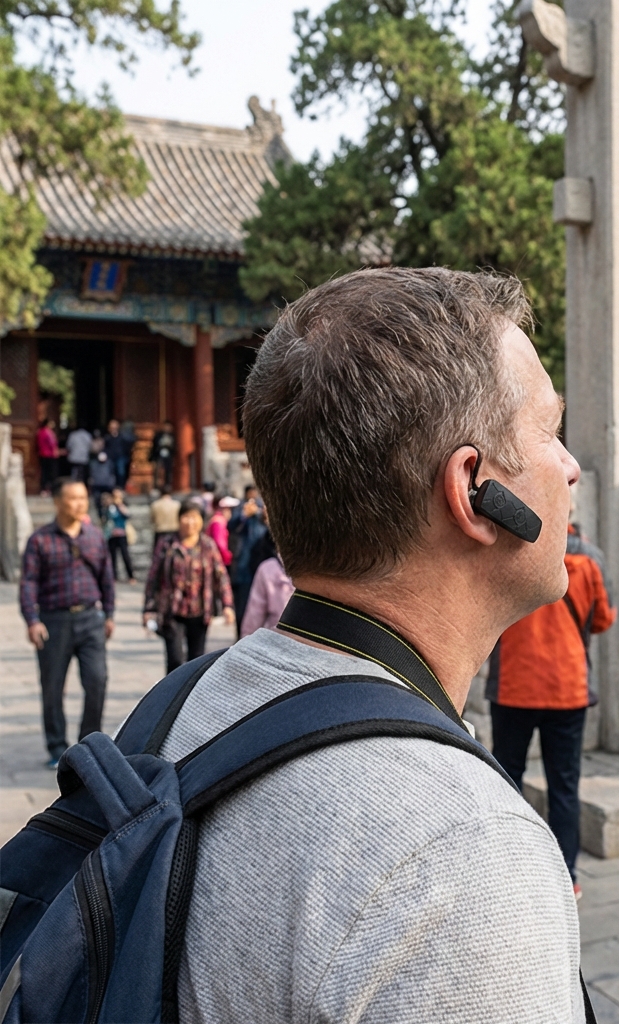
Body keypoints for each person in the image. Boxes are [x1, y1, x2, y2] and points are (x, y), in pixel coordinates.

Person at [151, 268, 589, 1022]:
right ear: (476, 490)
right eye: (550, 429)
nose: (571, 464)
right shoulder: (463, 851)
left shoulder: (182, 702)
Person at [487, 521, 616, 900]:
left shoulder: (503, 547)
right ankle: (567, 875)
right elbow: (603, 619)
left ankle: (511, 867)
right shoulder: (589, 557)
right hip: (567, 686)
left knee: (508, 779)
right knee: (564, 785)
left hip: (515, 684)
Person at [18, 477, 115, 767]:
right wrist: (32, 620)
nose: (80, 503)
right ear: (58, 501)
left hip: (90, 618)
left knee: (97, 680)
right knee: (52, 687)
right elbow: (28, 583)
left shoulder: (95, 536)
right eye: (73, 498)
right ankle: (56, 747)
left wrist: (109, 614)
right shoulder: (40, 540)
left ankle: (88, 745)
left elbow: (106, 579)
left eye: (83, 498)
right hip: (53, 621)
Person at [144, 500, 234, 672]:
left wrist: (227, 605)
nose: (190, 522)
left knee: (197, 662)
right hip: (173, 611)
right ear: (179, 519)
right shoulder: (167, 544)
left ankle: (191, 698)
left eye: (195, 518)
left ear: (201, 521)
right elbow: (154, 576)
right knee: (175, 659)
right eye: (186, 517)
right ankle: (171, 697)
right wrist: (148, 608)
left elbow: (221, 576)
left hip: (200, 611)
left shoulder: (208, 545)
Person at [227, 485, 268, 632]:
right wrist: (244, 514)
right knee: (242, 607)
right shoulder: (240, 509)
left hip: (262, 563)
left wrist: (260, 514)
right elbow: (231, 525)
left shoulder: (263, 508)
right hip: (244, 566)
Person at [238, 536, 293, 636]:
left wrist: (246, 642)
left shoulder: (267, 568)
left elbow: (254, 616)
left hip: (275, 639)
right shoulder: (318, 568)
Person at [103, 487, 136, 583]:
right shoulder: (110, 507)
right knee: (112, 557)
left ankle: (131, 576)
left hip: (122, 534)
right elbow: (107, 518)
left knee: (125, 555)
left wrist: (120, 505)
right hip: (112, 535)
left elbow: (127, 515)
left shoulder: (122, 506)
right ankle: (114, 576)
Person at [87, 430, 116, 519]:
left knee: (109, 501)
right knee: (97, 501)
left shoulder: (109, 463)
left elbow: (112, 473)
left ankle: (108, 515)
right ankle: (101, 515)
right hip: (98, 484)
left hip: (107, 485)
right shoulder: (94, 464)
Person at [206, 495, 236, 570]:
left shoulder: (217, 520)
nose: (230, 513)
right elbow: (219, 542)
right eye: (228, 510)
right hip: (218, 559)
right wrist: (227, 556)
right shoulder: (219, 522)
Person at [103, 418, 133, 490]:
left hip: (120, 457)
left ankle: (121, 487)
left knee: (120, 473)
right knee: (110, 473)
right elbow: (105, 447)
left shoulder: (122, 436)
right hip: (110, 457)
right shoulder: (107, 437)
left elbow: (128, 444)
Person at [36, 419, 61, 496]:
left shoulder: (40, 432)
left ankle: (44, 489)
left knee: (44, 472)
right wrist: (56, 451)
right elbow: (52, 444)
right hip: (49, 455)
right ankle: (51, 489)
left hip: (42, 454)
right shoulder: (48, 432)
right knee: (51, 473)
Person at [149, 420, 176, 490]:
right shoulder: (158, 435)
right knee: (157, 471)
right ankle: (156, 487)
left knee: (168, 471)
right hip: (159, 455)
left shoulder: (172, 436)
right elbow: (154, 446)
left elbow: (175, 447)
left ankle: (167, 485)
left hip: (168, 456)